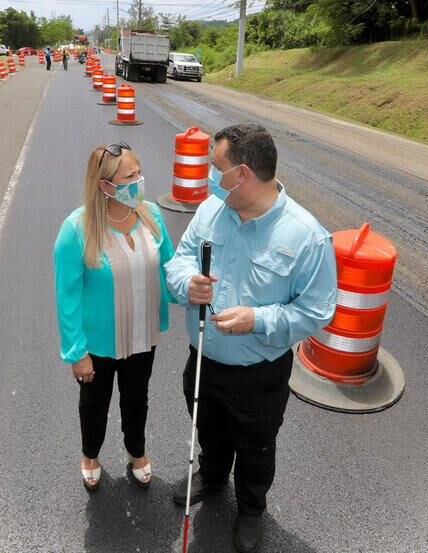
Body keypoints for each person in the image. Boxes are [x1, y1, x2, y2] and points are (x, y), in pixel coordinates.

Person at [165, 123, 337, 553]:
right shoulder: (211, 210)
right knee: (208, 426)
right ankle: (212, 474)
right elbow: (180, 260)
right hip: (203, 358)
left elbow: (316, 311)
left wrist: (257, 320)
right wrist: (187, 284)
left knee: (256, 446)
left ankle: (251, 509)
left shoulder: (307, 237)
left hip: (258, 374)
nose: (210, 177)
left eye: (217, 168)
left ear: (242, 174)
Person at [54, 143, 175, 493]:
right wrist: (76, 352)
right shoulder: (77, 229)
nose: (138, 182)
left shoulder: (151, 214)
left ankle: (136, 450)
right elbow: (67, 296)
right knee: (95, 404)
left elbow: (171, 265)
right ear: (105, 186)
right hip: (98, 344)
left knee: (137, 398)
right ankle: (90, 455)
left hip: (142, 335)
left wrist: (192, 289)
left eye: (139, 173)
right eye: (129, 177)